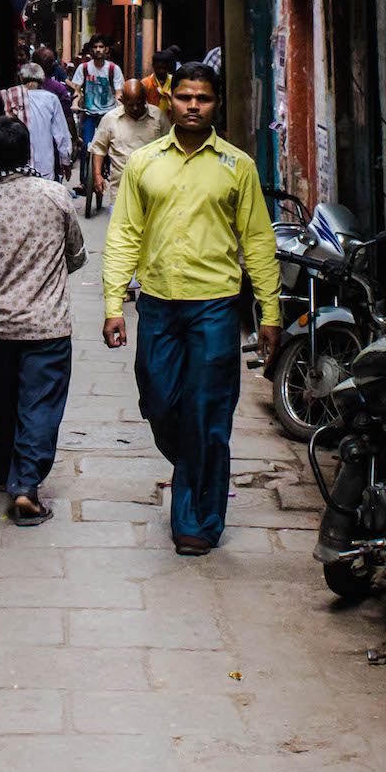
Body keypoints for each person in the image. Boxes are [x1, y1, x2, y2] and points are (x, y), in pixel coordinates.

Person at [101, 62, 282, 556]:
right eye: (183, 97)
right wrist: (114, 302)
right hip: (158, 305)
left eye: (202, 98)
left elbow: (258, 242)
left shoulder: (237, 167)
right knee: (158, 402)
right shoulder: (144, 163)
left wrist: (269, 313)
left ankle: (197, 518)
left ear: (215, 103)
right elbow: (123, 235)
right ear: (169, 102)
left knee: (207, 412)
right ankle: (194, 467)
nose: (193, 106)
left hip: (215, 308)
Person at [0, 116, 87, 525]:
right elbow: (77, 254)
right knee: (40, 407)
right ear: (29, 151)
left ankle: (2, 470)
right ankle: (24, 485)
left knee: (0, 405)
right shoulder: (56, 197)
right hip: (48, 327)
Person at [89, 79, 168, 201]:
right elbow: (99, 149)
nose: (135, 108)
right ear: (122, 100)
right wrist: (97, 175)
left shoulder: (158, 116)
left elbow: (170, 146)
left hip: (153, 189)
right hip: (121, 190)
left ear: (145, 99)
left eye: (139, 103)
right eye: (131, 105)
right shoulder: (110, 119)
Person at [70, 35, 124, 188]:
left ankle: (106, 172)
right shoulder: (84, 68)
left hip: (108, 115)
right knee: (86, 145)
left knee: (109, 147)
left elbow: (118, 92)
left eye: (101, 47)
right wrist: (75, 102)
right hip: (89, 113)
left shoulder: (114, 69)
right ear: (91, 49)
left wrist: (121, 105)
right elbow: (77, 90)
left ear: (106, 49)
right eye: (95, 47)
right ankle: (83, 182)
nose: (98, 50)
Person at [14, 62, 70, 179]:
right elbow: (61, 133)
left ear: (21, 78)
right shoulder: (51, 99)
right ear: (42, 79)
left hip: (18, 167)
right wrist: (65, 161)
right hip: (44, 166)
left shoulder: (14, 98)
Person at [141, 48, 177, 115]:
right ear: (153, 66)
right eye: (158, 68)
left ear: (167, 66)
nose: (161, 71)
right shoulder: (146, 83)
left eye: (164, 68)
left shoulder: (173, 81)